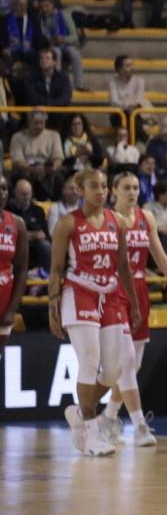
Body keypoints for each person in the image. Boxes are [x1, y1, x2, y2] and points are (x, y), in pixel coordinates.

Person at [48, 168, 140, 457]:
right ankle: (89, 432)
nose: (101, 191)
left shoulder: (118, 222)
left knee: (114, 369)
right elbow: (56, 269)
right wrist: (53, 306)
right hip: (79, 292)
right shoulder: (67, 223)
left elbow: (123, 266)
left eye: (103, 186)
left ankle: (78, 411)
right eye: (94, 186)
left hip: (110, 294)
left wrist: (134, 303)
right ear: (79, 190)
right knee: (90, 360)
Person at [98, 171, 167, 447]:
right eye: (126, 187)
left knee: (133, 364)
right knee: (126, 362)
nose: (132, 192)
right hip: (115, 291)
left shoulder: (146, 218)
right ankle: (140, 426)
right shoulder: (106, 219)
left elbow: (160, 258)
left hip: (140, 290)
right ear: (113, 190)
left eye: (136, 187)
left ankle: (109, 416)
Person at [0, 176, 30, 359]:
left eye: (4, 188)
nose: (1, 192)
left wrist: (12, 308)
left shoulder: (17, 224)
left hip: (4, 301)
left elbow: (21, 268)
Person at [35, 0, 86, 92]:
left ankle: (79, 85)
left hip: (67, 43)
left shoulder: (64, 15)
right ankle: (56, 83)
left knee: (75, 54)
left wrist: (63, 39)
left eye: (47, 6)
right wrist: (50, 40)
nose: (45, 9)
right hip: (52, 45)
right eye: (42, 7)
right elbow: (43, 34)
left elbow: (74, 36)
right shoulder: (40, 18)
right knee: (55, 53)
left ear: (53, 5)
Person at [10, 109, 64, 200]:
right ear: (29, 122)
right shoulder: (17, 137)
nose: (39, 126)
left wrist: (53, 166)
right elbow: (17, 160)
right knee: (24, 175)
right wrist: (32, 168)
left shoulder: (54, 135)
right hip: (27, 166)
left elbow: (58, 156)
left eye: (42, 123)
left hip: (46, 166)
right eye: (36, 123)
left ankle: (53, 201)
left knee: (59, 175)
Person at [7, 178, 50, 284]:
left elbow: (45, 234)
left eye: (28, 193)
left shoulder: (38, 210)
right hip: (14, 244)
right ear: (15, 193)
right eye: (22, 193)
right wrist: (30, 235)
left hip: (35, 245)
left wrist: (38, 235)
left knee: (46, 245)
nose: (26, 196)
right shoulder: (8, 210)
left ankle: (45, 277)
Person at [108, 55, 152, 128]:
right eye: (128, 65)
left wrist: (128, 105)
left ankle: (144, 138)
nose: (132, 68)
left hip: (136, 114)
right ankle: (145, 138)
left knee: (133, 118)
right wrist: (128, 106)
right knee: (126, 116)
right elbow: (114, 102)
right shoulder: (113, 82)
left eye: (132, 65)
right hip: (119, 115)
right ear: (120, 69)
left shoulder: (139, 81)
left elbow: (138, 100)